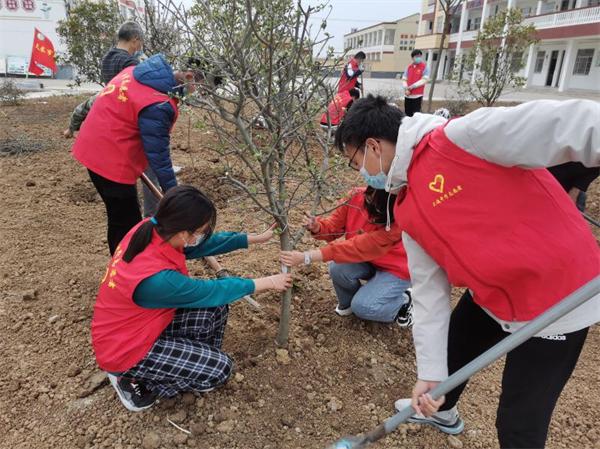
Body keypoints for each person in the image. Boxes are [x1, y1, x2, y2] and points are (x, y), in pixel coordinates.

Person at [326, 95, 599, 448]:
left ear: (373, 146)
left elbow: (577, 122)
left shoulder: (464, 138)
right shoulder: (407, 206)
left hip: (559, 301)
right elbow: (427, 292)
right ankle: (442, 409)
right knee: (451, 357)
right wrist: (429, 376)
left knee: (519, 423)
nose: (359, 172)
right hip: (493, 293)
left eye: (355, 161)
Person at [93, 185, 292, 411]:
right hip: (126, 349)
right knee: (220, 370)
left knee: (215, 309)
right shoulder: (157, 281)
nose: (202, 235)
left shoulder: (152, 228)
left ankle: (190, 363)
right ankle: (129, 378)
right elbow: (210, 291)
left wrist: (253, 238)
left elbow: (204, 246)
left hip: (141, 324)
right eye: (200, 230)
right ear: (184, 233)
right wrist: (268, 282)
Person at [72, 54, 197, 255]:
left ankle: (125, 265)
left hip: (94, 146)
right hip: (107, 159)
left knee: (120, 216)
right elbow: (159, 156)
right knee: (126, 223)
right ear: (189, 76)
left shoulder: (139, 72)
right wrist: (175, 196)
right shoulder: (158, 102)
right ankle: (126, 272)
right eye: (198, 87)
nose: (196, 93)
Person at [280, 186, 413, 326]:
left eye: (375, 203)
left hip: (396, 268)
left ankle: (403, 302)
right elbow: (333, 226)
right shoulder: (356, 195)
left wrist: (306, 257)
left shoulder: (400, 218)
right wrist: (317, 227)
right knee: (338, 268)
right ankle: (350, 304)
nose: (368, 202)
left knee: (365, 307)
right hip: (367, 260)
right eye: (369, 196)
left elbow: (359, 246)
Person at [402, 49, 430, 117]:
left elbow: (424, 80)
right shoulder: (409, 67)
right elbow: (404, 79)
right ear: (412, 57)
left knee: (416, 115)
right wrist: (406, 88)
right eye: (417, 56)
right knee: (407, 114)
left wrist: (413, 86)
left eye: (420, 56)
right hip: (408, 95)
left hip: (417, 95)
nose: (419, 58)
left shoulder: (424, 67)